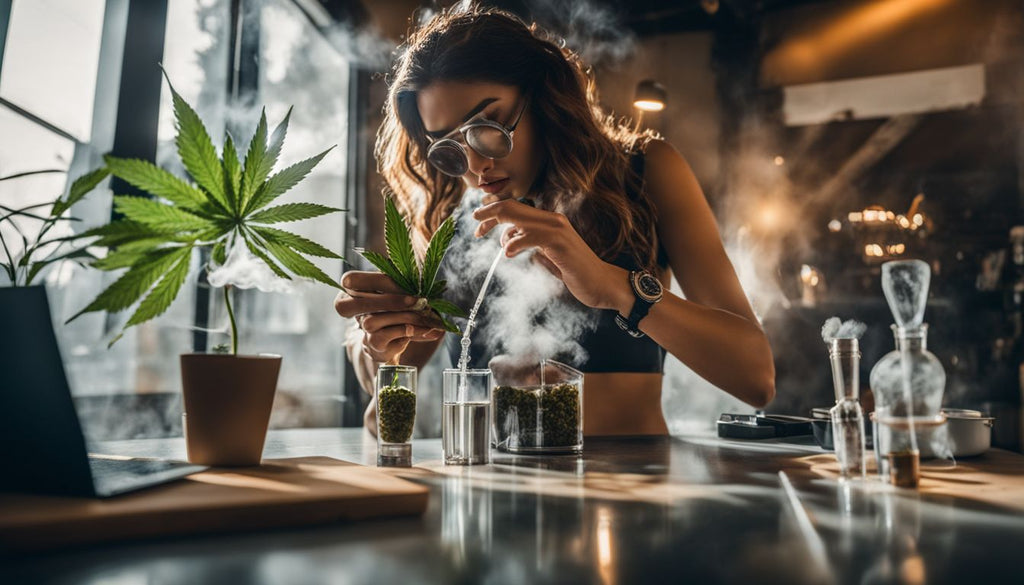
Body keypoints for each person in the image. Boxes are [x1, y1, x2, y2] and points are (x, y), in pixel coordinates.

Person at [334, 6, 775, 437]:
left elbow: (755, 377)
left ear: (543, 97)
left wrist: (616, 288)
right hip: (490, 488)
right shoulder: (453, 213)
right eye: (448, 147)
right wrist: (376, 342)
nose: (476, 166)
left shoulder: (645, 172)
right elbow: (392, 369)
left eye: (488, 125)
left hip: (632, 488)